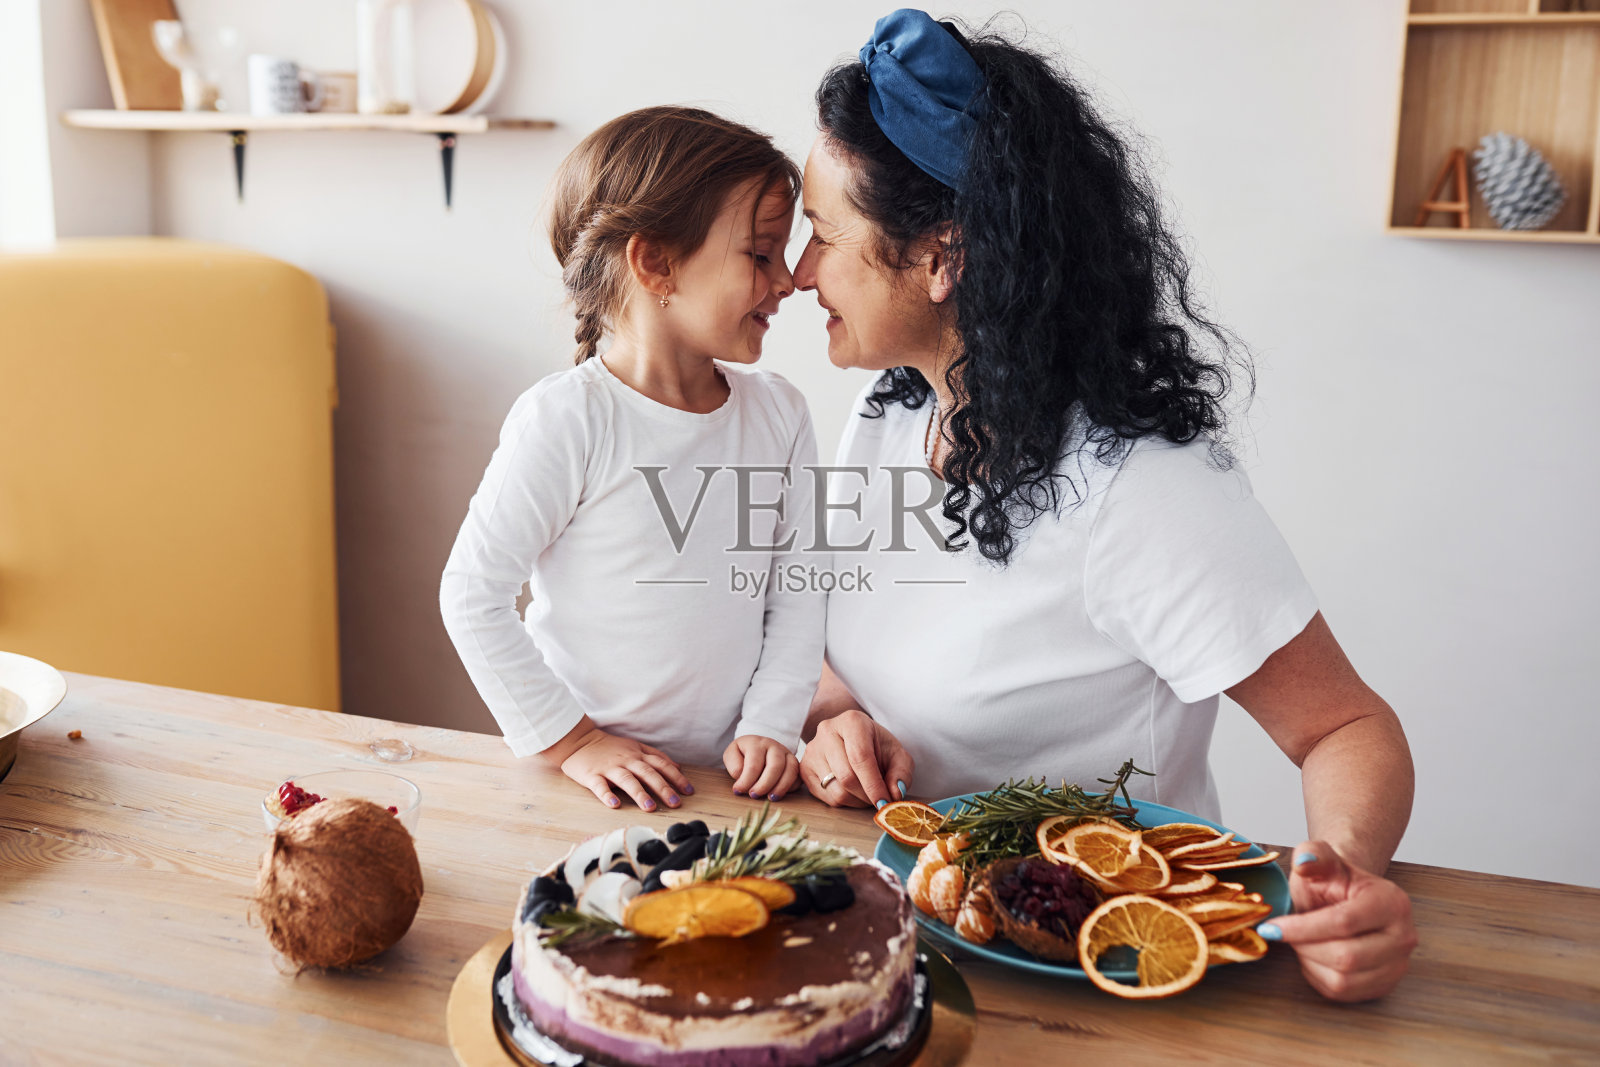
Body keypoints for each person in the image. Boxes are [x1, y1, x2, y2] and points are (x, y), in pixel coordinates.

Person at [793, 9, 1418, 1001]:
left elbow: (1344, 725)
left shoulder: (1144, 488)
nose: (795, 273)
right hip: (906, 940)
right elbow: (831, 630)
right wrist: (835, 710)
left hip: (1095, 976)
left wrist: (1346, 874)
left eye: (822, 236)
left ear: (941, 256)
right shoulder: (888, 405)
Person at [441, 106, 820, 812]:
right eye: (761, 254)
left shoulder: (781, 415)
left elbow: (799, 592)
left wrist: (771, 723)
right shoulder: (568, 419)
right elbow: (473, 596)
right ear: (656, 263)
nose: (790, 280)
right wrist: (574, 741)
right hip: (589, 785)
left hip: (724, 788)